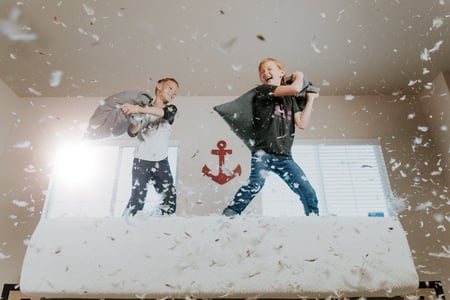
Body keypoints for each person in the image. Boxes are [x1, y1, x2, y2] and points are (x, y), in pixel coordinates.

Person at [222, 58, 319, 216]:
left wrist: (311, 100)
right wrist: (300, 76)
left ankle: (315, 220)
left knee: (307, 191)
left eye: (269, 69)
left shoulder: (290, 100)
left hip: (285, 157)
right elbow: (295, 88)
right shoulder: (263, 90)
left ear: (281, 72)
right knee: (255, 184)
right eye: (262, 72)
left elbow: (301, 123)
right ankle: (227, 217)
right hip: (263, 153)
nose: (265, 73)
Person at [121, 78, 179, 216]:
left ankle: (158, 226)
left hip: (161, 162)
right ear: (159, 86)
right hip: (141, 161)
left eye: (175, 92)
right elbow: (132, 132)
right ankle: (124, 227)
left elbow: (164, 114)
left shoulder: (171, 108)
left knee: (170, 201)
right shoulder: (143, 111)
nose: (173, 93)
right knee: (137, 200)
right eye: (170, 88)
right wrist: (136, 115)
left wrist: (138, 108)